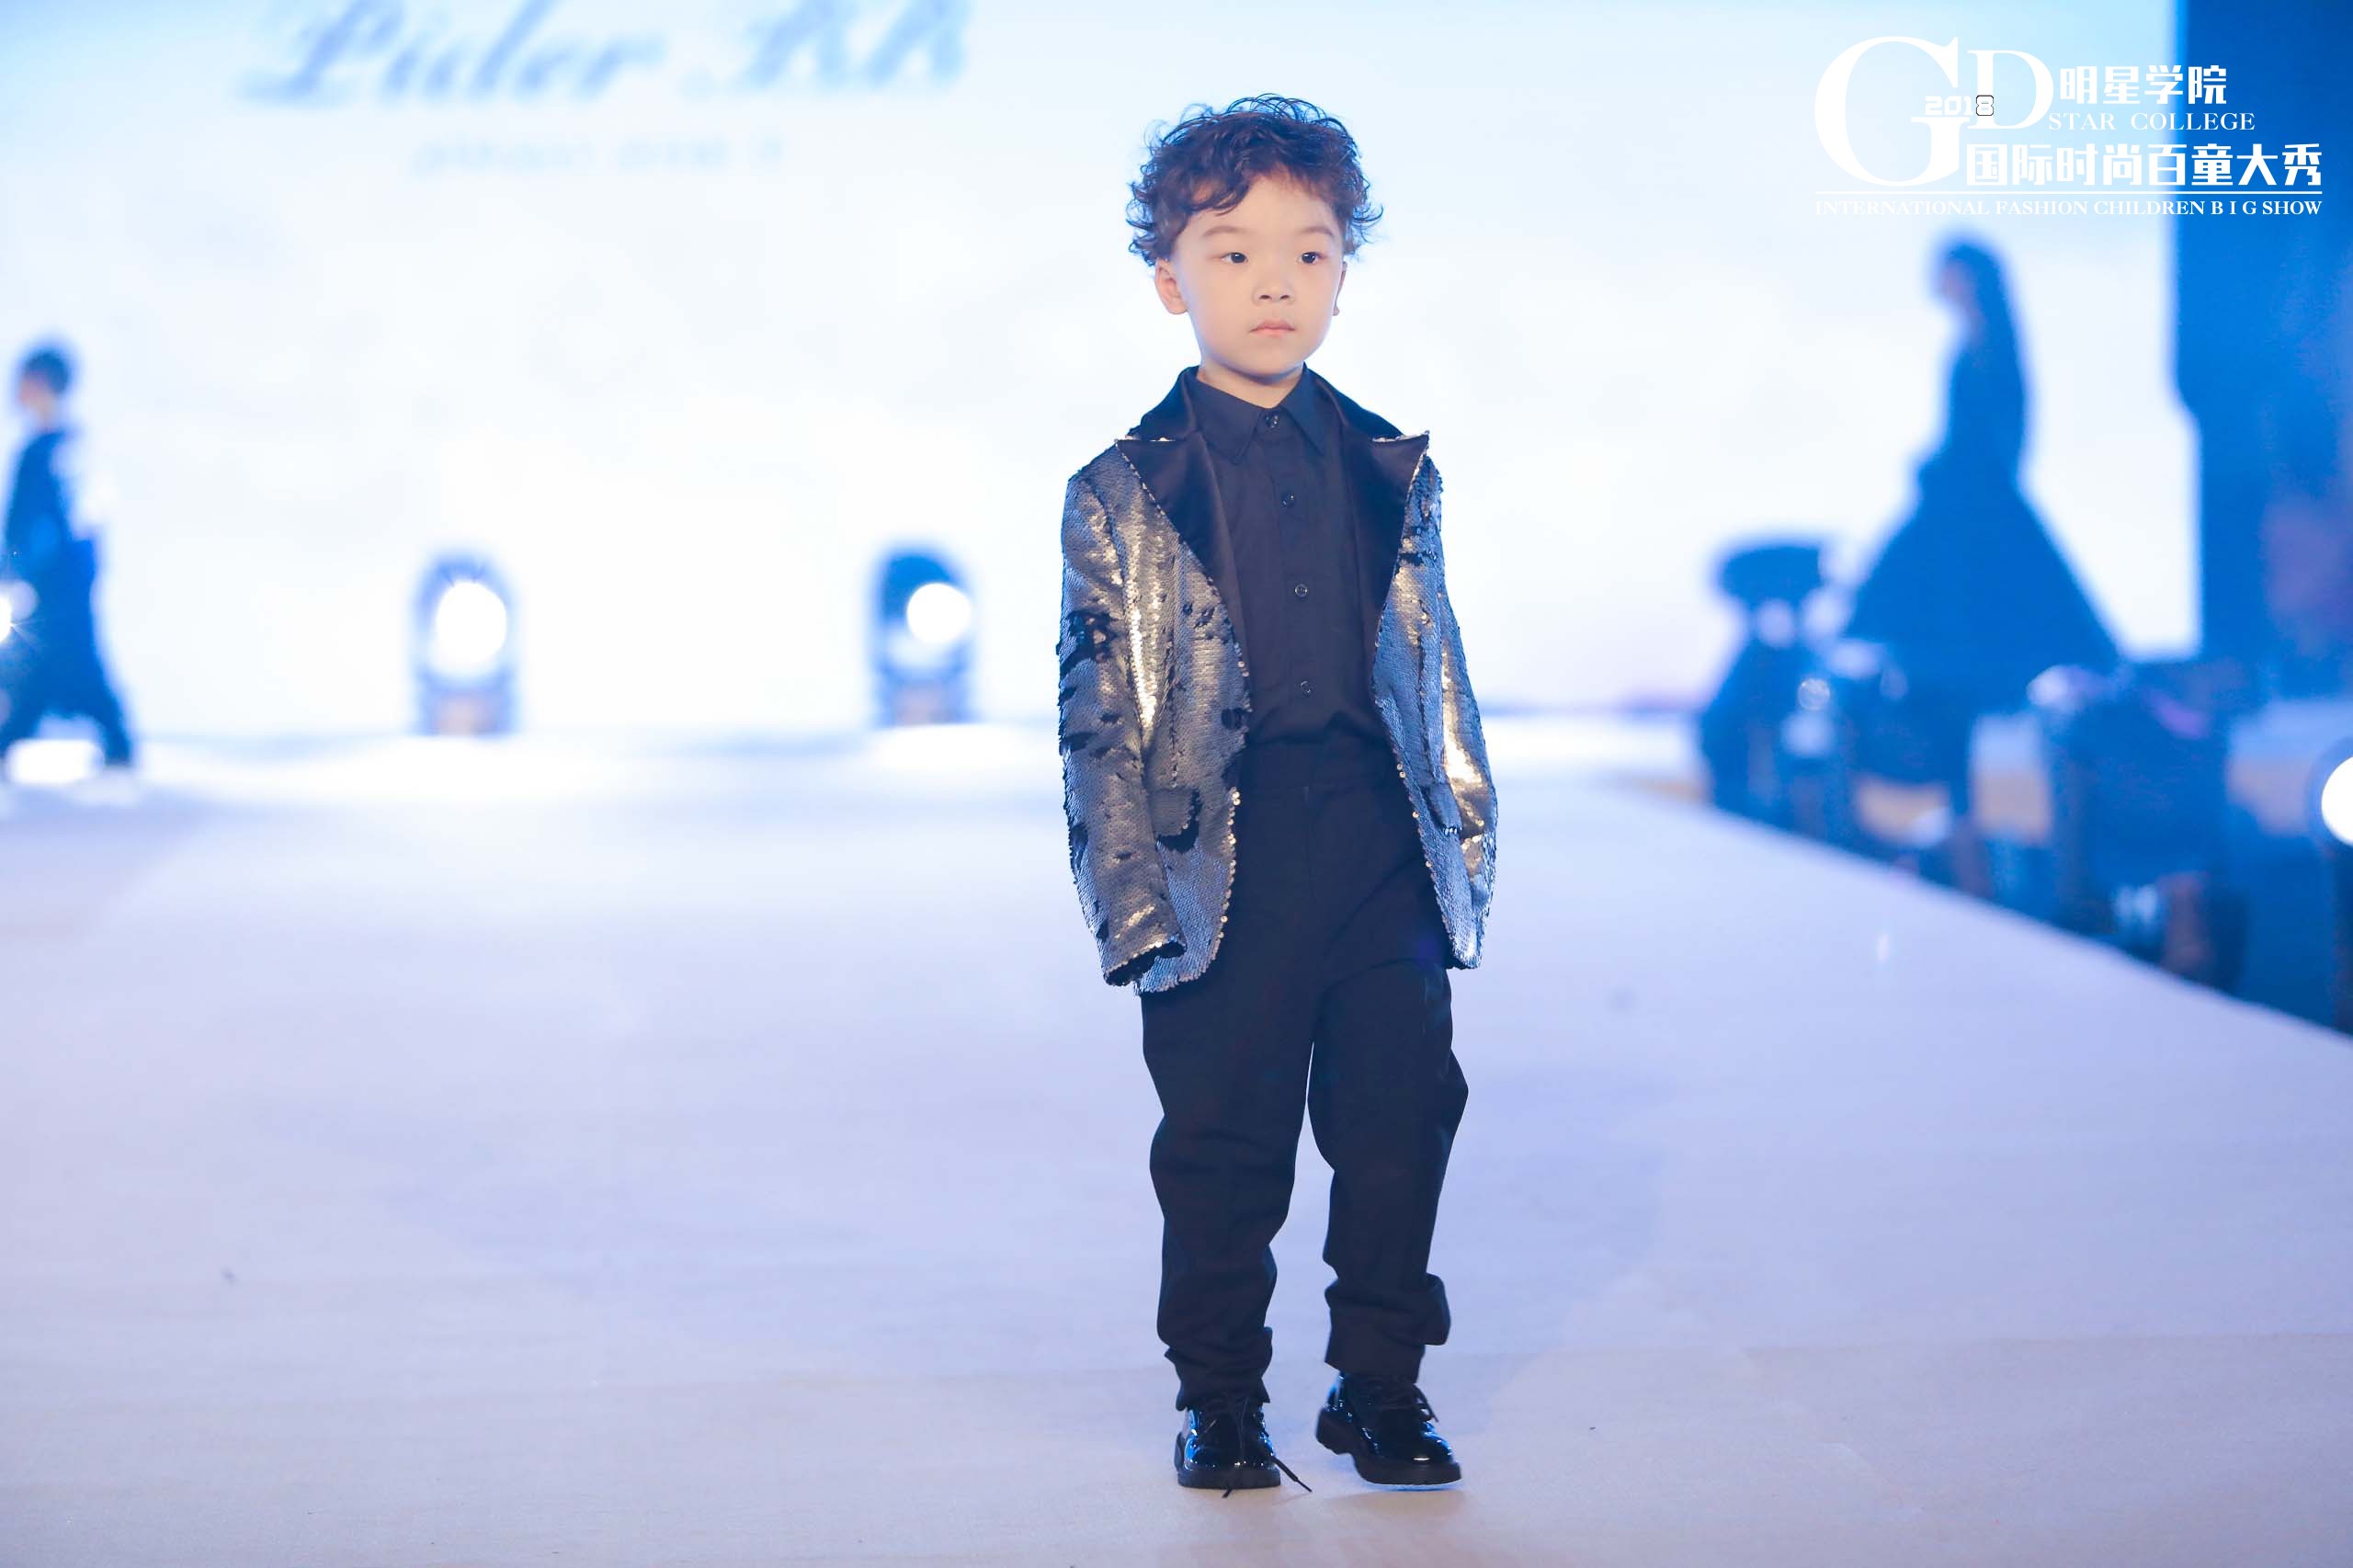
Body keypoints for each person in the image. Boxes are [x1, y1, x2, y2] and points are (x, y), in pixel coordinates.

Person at [1055, 95, 1496, 1494]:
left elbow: (1435, 665)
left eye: (1309, 254)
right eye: (1233, 253)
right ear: (1169, 279)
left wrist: (1464, 842)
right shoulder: (1123, 488)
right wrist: (1130, 903)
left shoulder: (1388, 464)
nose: (1274, 284)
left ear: (1343, 277)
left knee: (1400, 1117)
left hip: (1374, 840)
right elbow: (1096, 713)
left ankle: (1381, 1386)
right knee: (1223, 1142)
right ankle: (1221, 1399)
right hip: (1217, 855)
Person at [1838, 239, 2118, 881]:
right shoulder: (1975, 345)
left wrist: (1946, 471)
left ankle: (1999, 841)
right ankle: (1967, 831)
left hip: (1974, 530)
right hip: (1961, 520)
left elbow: (1994, 440)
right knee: (1946, 685)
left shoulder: (1991, 348)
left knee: (1967, 672)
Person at [0, 341, 138, 808]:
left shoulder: (61, 451)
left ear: (42, 384)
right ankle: (117, 749)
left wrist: (24, 576)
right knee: (36, 671)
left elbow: (70, 527)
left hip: (57, 591)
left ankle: (119, 749)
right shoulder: (51, 448)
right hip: (49, 588)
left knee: (60, 666)